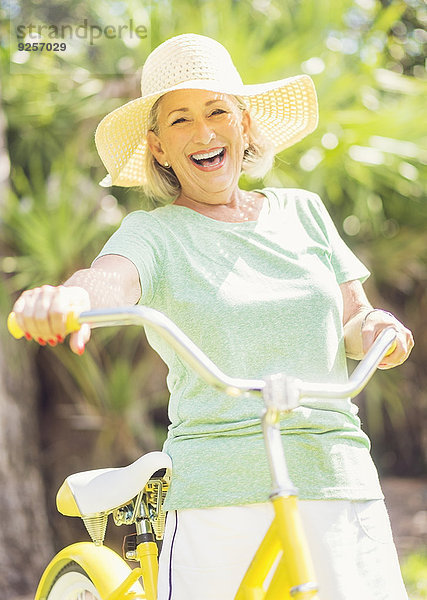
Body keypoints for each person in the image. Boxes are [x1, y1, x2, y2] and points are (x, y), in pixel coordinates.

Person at [12, 33, 414, 600]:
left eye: (217, 110)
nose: (203, 133)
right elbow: (111, 279)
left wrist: (375, 331)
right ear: (156, 147)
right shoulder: (155, 233)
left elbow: (355, 321)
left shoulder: (305, 212)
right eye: (180, 120)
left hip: (337, 473)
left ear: (245, 125)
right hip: (219, 488)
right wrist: (72, 299)